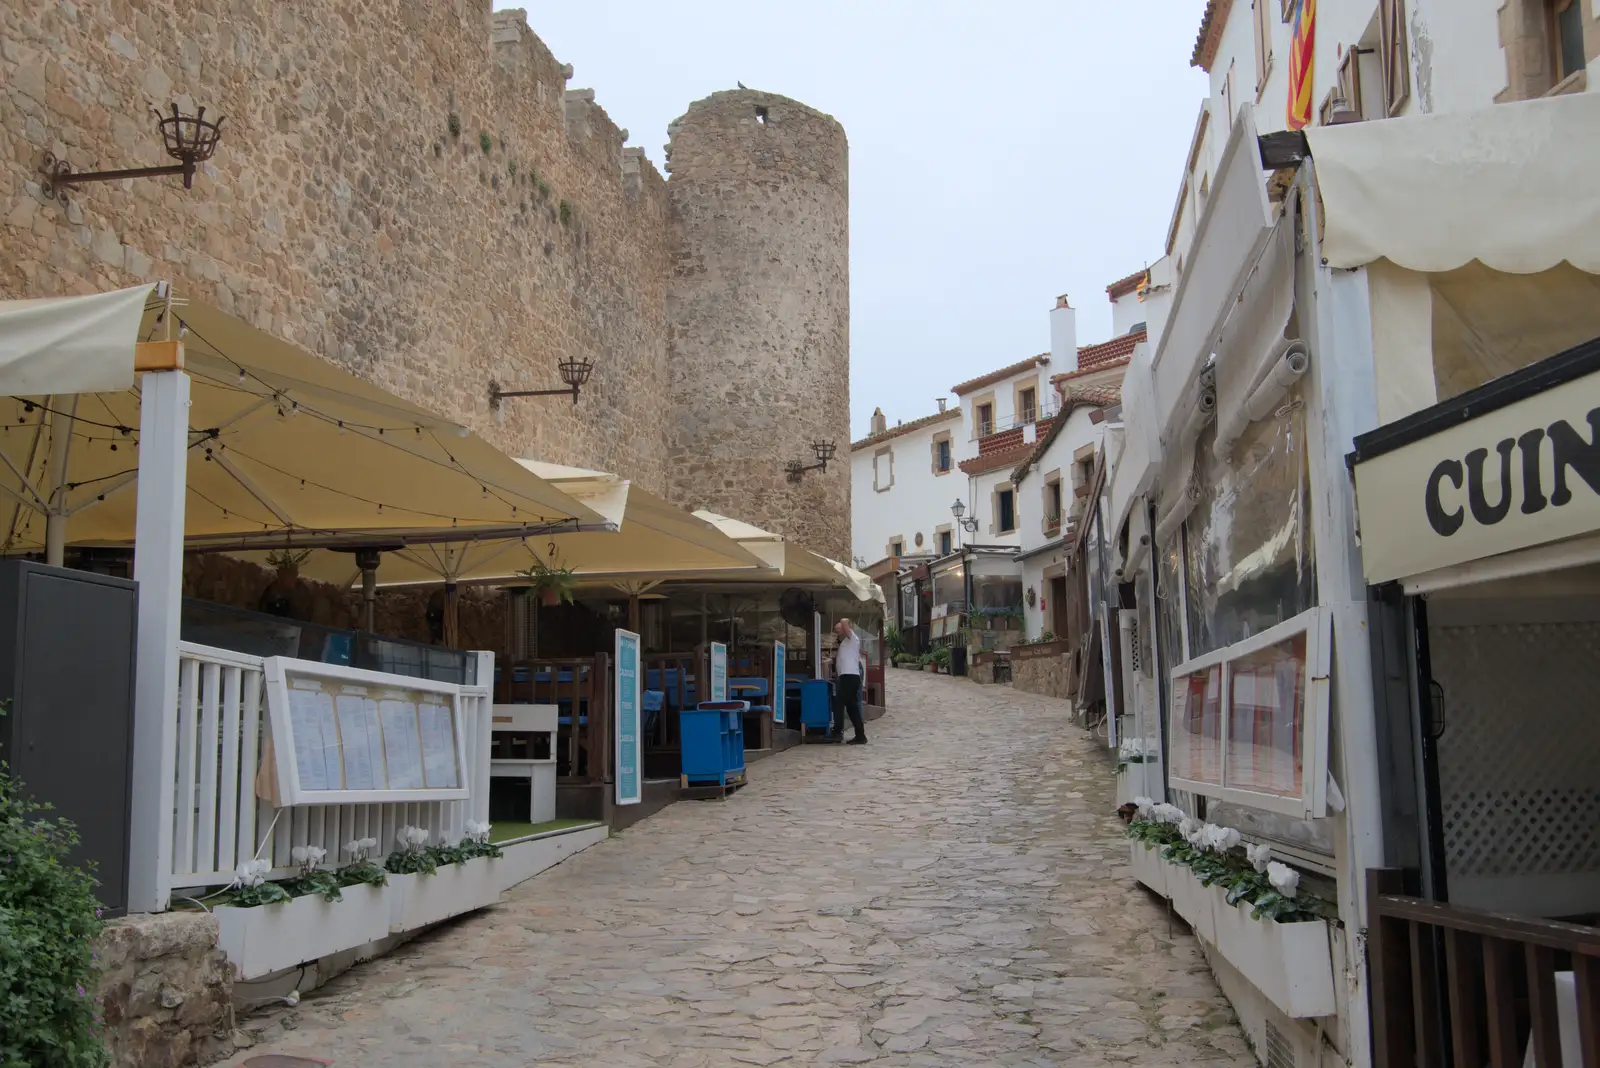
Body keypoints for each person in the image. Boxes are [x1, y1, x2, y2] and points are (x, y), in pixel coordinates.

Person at [831, 617, 868, 745]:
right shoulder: (845, 642)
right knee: (852, 708)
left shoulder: (853, 638)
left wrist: (841, 622)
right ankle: (860, 735)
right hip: (846, 677)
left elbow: (845, 621)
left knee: (839, 702)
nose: (837, 630)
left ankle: (837, 731)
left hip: (850, 676)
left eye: (839, 628)